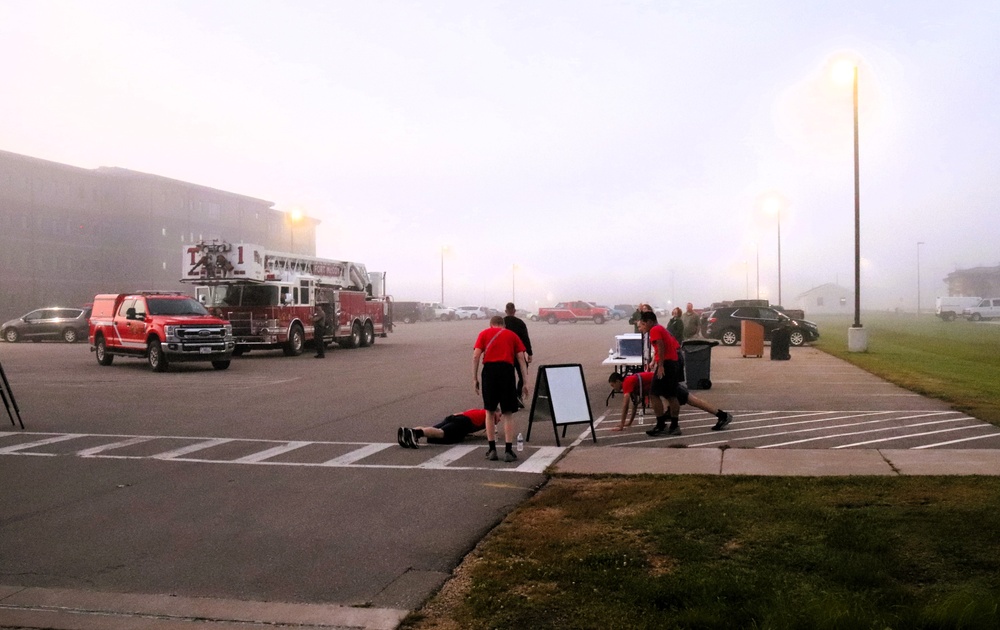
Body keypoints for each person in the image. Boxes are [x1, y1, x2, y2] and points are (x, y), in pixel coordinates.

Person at [473, 316, 529, 463]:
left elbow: (476, 356)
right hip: (506, 371)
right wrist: (525, 382)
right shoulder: (511, 335)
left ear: (491, 324)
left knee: (489, 411)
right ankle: (508, 450)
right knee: (508, 412)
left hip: (489, 372)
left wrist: (475, 378)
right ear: (503, 325)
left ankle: (492, 449)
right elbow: (521, 359)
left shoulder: (484, 333)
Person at [608, 372, 733, 432]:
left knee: (693, 401)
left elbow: (625, 405)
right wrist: (628, 423)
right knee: (692, 401)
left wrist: (621, 425)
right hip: (666, 385)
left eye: (613, 385)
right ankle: (722, 416)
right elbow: (634, 405)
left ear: (619, 381)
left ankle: (723, 415)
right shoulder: (631, 384)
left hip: (668, 383)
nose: (614, 388)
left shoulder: (628, 382)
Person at [637, 311, 682, 436]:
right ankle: (674, 425)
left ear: (650, 322)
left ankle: (661, 424)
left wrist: (660, 365)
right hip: (672, 362)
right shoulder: (660, 328)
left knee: (654, 393)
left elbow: (661, 346)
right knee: (670, 395)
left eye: (643, 325)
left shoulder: (655, 330)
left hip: (667, 364)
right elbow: (661, 347)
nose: (642, 328)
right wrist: (654, 361)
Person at [396, 409, 501, 448]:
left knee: (433, 431)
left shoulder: (479, 411)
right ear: (494, 412)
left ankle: (408, 432)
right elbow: (492, 434)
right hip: (463, 422)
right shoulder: (489, 415)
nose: (499, 419)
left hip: (456, 417)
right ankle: (415, 433)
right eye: (499, 416)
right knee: (442, 434)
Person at [503, 302, 533, 406]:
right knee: (522, 375)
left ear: (506, 311)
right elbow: (525, 338)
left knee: (508, 376)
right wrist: (529, 353)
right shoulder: (520, 323)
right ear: (514, 311)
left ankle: (510, 398)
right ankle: (518, 395)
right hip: (519, 353)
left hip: (506, 354)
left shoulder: (502, 323)